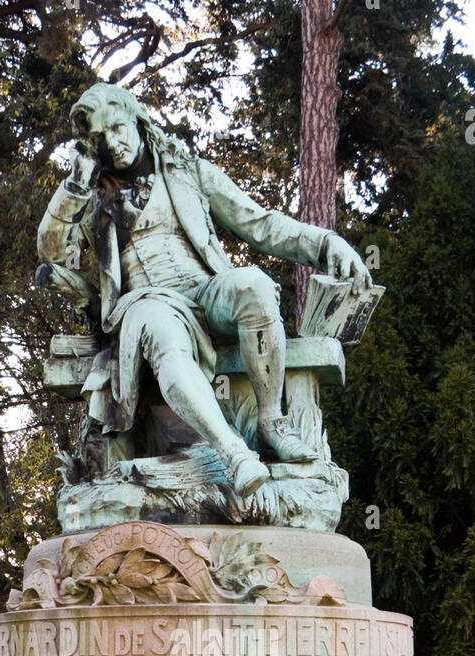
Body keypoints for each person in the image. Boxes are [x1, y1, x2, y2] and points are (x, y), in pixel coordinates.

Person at [37, 82, 372, 500]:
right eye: (101, 138)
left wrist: (326, 244)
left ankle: (271, 423)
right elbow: (52, 250)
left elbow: (260, 224)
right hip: (146, 302)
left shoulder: (185, 168)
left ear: (138, 120)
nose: (114, 143)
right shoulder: (90, 193)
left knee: (254, 285)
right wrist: (74, 184)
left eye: (119, 128)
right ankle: (234, 453)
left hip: (204, 289)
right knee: (164, 338)